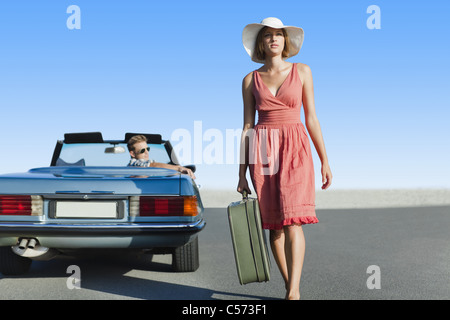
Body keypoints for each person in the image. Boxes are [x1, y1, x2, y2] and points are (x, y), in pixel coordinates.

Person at [237, 17, 332, 300]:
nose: (274, 39)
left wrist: (325, 159)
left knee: (293, 220)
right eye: (268, 35)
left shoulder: (302, 71)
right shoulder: (249, 80)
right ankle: (289, 282)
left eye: (279, 34)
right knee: (274, 224)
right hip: (263, 151)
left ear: (285, 41)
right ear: (261, 44)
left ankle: (293, 292)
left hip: (296, 147)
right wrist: (241, 172)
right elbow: (246, 127)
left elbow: (312, 118)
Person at [127, 135, 195, 179]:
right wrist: (179, 168)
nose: (146, 152)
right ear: (132, 154)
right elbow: (152, 165)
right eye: (142, 150)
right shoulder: (134, 163)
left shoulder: (141, 167)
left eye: (147, 149)